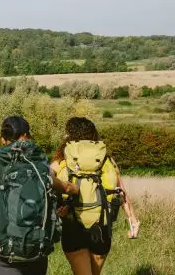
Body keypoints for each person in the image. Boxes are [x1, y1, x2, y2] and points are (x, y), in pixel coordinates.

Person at [0, 115, 79, 275]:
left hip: (5, 248)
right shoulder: (42, 167)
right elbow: (66, 187)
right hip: (37, 245)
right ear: (27, 137)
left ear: (2, 140)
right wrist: (78, 189)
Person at [51, 117, 140, 275]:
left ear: (69, 136)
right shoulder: (106, 160)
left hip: (72, 226)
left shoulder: (61, 160)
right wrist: (132, 220)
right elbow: (121, 192)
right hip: (102, 226)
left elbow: (46, 184)